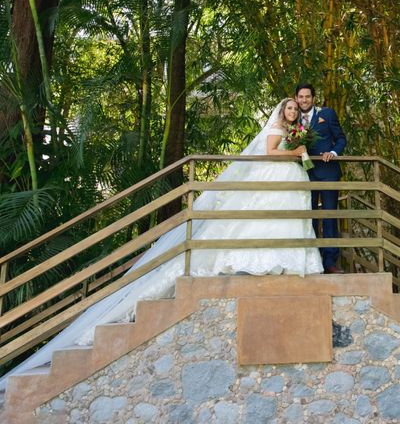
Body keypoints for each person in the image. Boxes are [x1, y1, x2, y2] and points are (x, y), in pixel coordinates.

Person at [0, 98, 323, 390]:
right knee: (259, 219)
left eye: (296, 109)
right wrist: (296, 151)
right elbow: (270, 152)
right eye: (289, 108)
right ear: (282, 111)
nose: (292, 112)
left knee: (283, 219)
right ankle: (259, 260)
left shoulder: (296, 130)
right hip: (272, 175)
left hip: (289, 180)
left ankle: (287, 261)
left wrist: (300, 151)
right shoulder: (276, 129)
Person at [295, 83, 347, 274]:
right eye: (301, 97)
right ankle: (312, 260)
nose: (304, 100)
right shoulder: (292, 116)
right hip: (304, 173)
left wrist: (333, 152)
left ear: (313, 98)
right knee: (309, 217)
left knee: (329, 215)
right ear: (296, 98)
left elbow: (341, 138)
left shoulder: (327, 114)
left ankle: (330, 262)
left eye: (307, 97)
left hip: (328, 172)